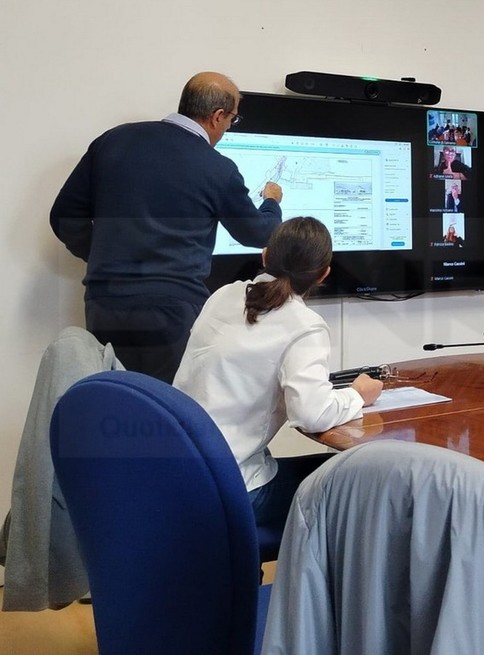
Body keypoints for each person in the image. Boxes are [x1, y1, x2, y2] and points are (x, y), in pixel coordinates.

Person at [50, 71, 284, 383]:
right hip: (171, 309)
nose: (229, 127)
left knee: (113, 395)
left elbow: (64, 216)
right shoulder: (217, 168)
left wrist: (102, 256)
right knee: (164, 402)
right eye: (232, 119)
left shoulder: (112, 141)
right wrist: (271, 202)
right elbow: (256, 233)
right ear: (217, 116)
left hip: (104, 301)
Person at [173, 217, 382, 533]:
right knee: (359, 482)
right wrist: (358, 395)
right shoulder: (304, 325)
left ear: (265, 255)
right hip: (229, 489)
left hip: (179, 475)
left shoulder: (223, 294)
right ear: (324, 274)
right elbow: (312, 414)